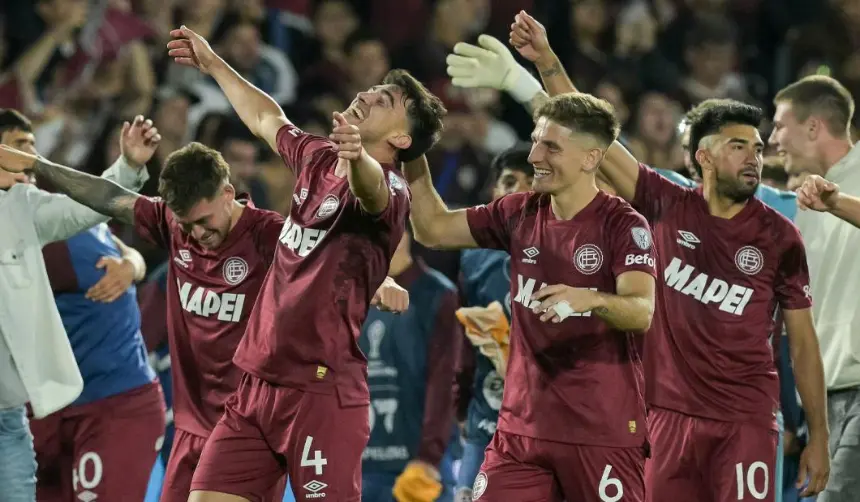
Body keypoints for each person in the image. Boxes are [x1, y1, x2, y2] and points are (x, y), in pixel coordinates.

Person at [495, 11, 831, 501]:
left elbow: (802, 343)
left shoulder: (780, 237)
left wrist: (818, 437)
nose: (754, 158)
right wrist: (547, 62)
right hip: (660, 417)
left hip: (746, 421)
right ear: (704, 156)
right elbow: (589, 134)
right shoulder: (662, 202)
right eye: (738, 147)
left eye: (758, 148)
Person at [0, 138, 412, 502]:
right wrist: (40, 166)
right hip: (192, 426)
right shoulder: (172, 227)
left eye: (204, 221)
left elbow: (328, 264)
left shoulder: (270, 236)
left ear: (228, 192)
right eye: (186, 224)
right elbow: (108, 197)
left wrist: (382, 283)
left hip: (248, 425)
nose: (196, 233)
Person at [163, 23, 447, 501]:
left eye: (386, 101)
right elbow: (264, 117)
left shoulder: (392, 191)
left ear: (400, 138)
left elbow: (370, 190)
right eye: (375, 88)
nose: (370, 95)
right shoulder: (317, 157)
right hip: (256, 385)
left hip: (321, 393)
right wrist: (212, 63)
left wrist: (358, 159)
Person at [405, 91, 657, 501]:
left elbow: (641, 310)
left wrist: (591, 298)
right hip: (521, 430)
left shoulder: (623, 225)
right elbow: (432, 228)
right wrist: (413, 150)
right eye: (537, 140)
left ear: (590, 158)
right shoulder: (518, 211)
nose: (535, 154)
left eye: (551, 146)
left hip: (600, 432)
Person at [0, 115, 168, 501]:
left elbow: (91, 215)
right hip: (41, 408)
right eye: (19, 146)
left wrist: (132, 262)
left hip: (109, 398)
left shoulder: (35, 211)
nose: (32, 156)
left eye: (31, 144)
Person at [769, 75, 860, 502]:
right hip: (825, 400)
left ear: (812, 127)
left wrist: (837, 203)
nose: (773, 139)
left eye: (780, 125)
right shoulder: (805, 208)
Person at [454, 144, 533, 502]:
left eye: (530, 181)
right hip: (486, 418)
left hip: (543, 424)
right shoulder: (474, 259)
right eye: (509, 181)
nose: (520, 190)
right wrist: (459, 406)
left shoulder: (569, 251)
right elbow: (464, 339)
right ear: (495, 192)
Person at [360, 231, 460, 502]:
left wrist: (428, 458)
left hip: (416, 468)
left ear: (405, 231)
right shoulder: (351, 295)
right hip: (361, 468)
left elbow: (443, 383)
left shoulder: (437, 295)